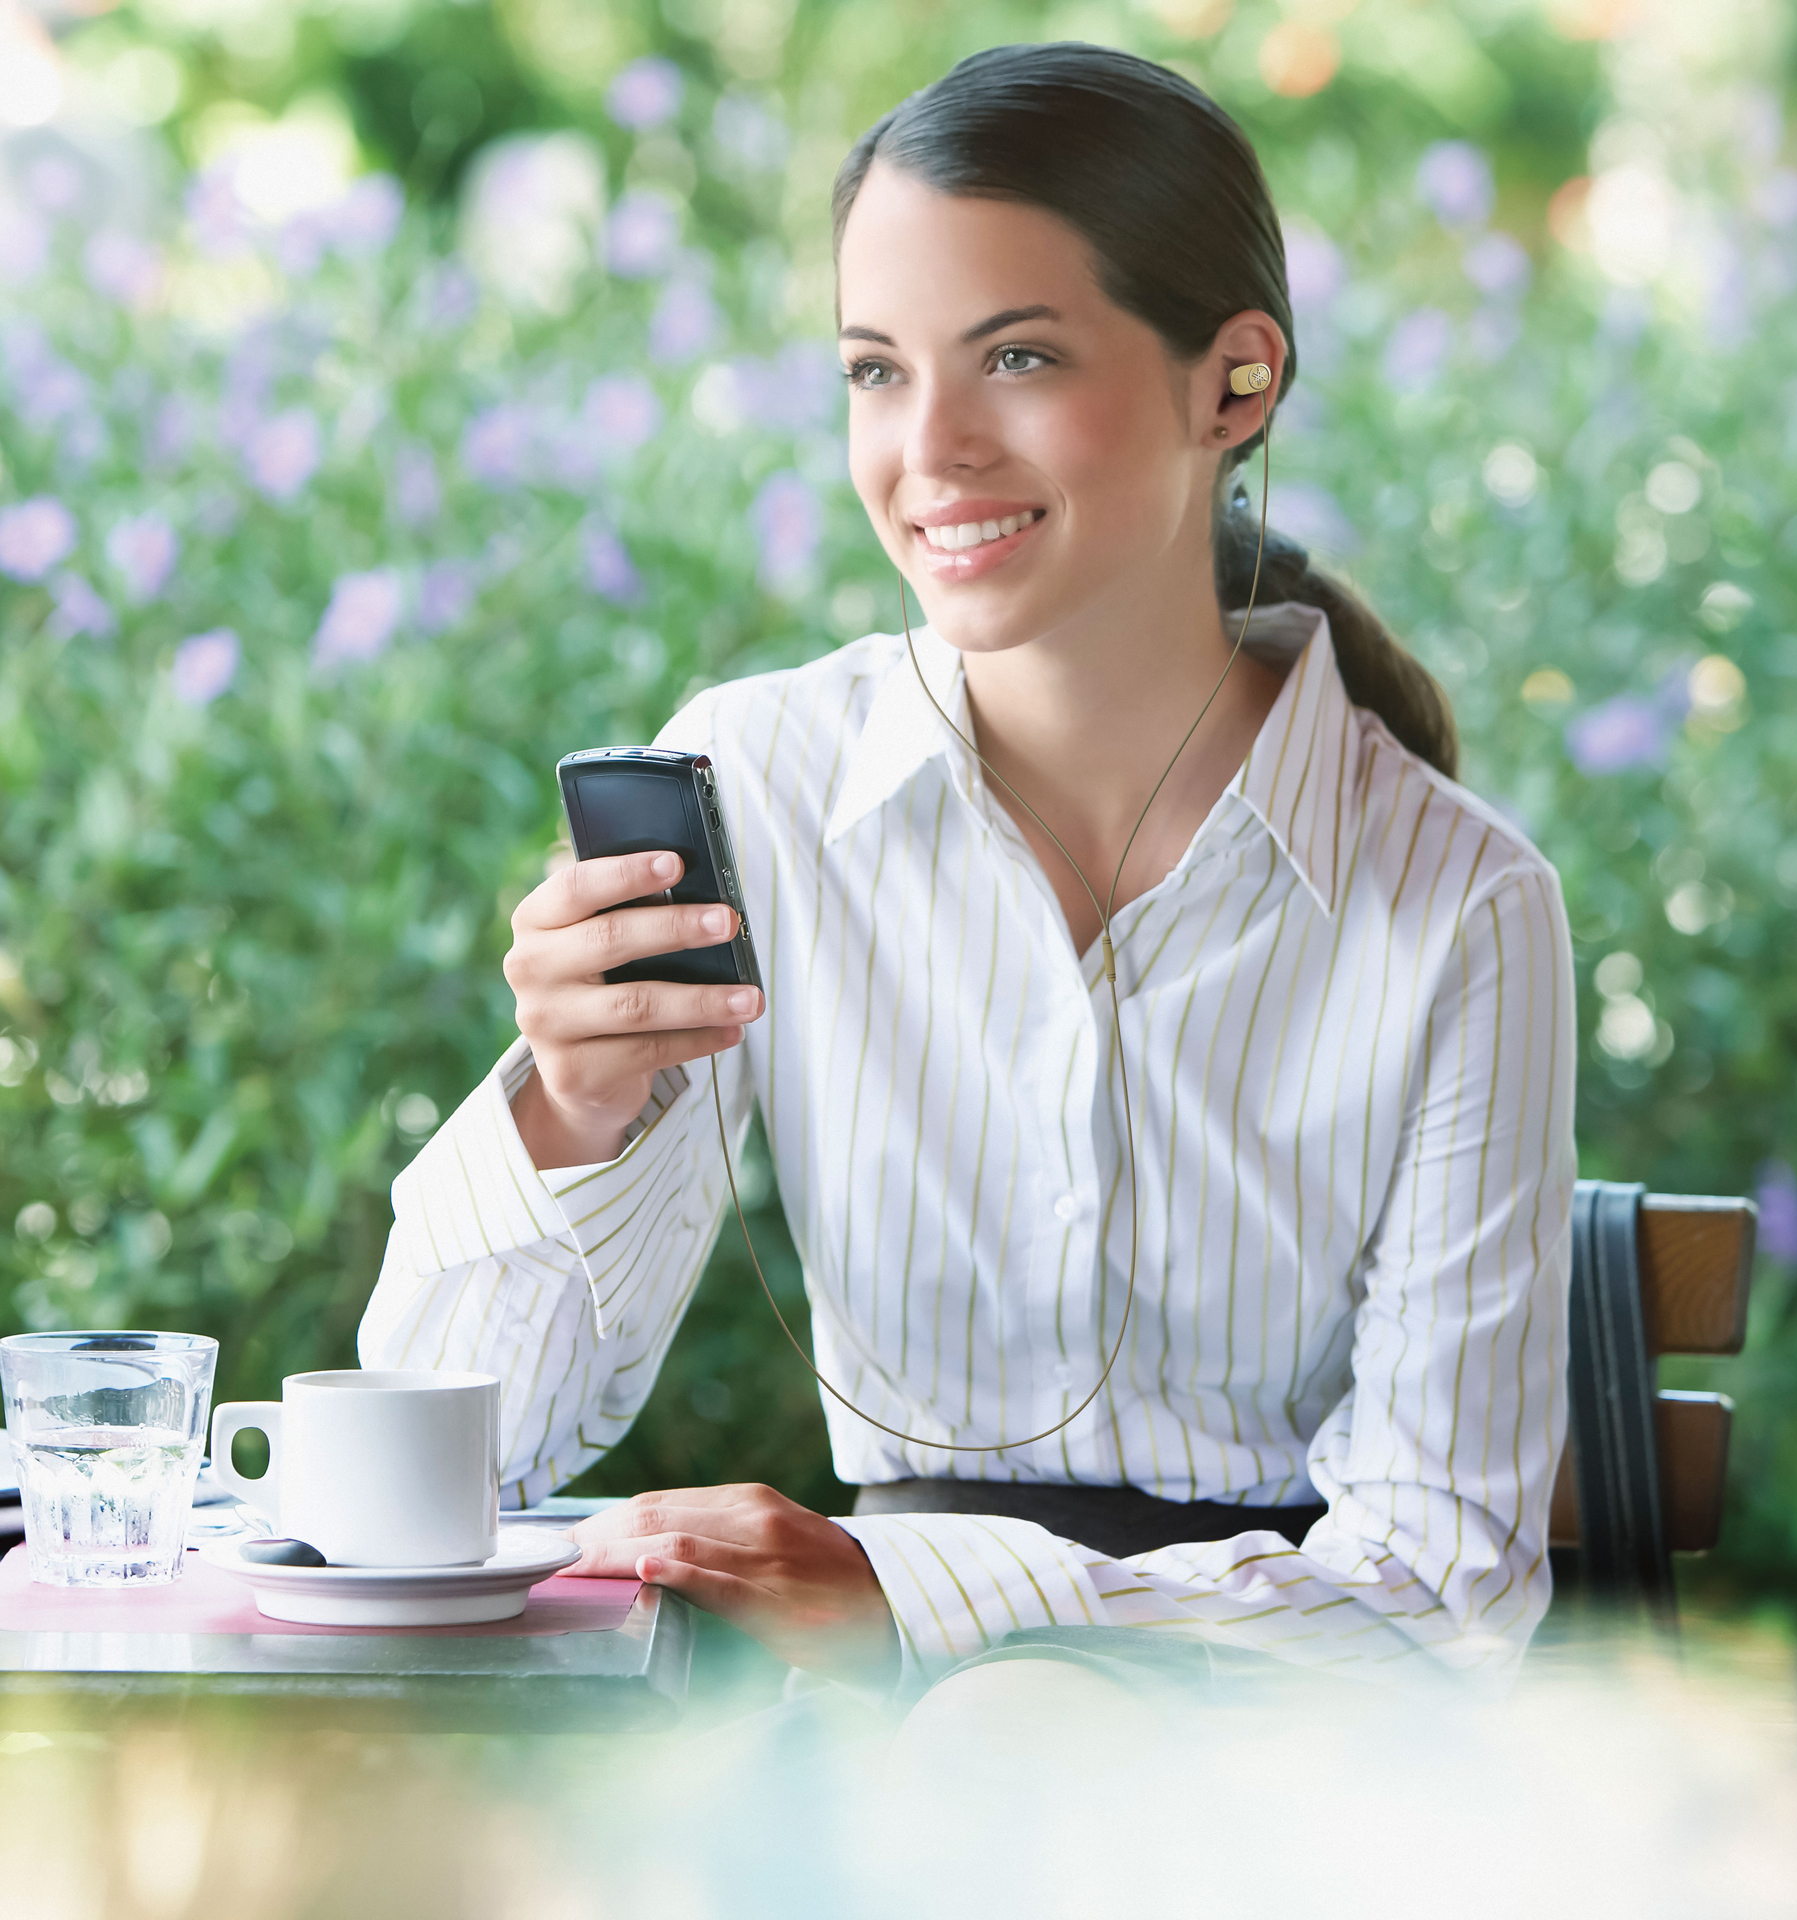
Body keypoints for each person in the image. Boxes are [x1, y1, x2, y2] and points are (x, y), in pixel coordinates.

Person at [359, 42, 1576, 1702]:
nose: (927, 449)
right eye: (875, 371)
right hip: (874, 1717)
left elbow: (1437, 1588)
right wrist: (571, 1106)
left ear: (1235, 383)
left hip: (1287, 1729)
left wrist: (931, 1605)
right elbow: (458, 1453)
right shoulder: (764, 788)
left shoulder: (1461, 904)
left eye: (1016, 356)